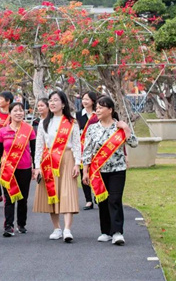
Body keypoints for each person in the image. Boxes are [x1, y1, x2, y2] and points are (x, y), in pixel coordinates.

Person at [82, 95, 137, 246]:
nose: (98, 110)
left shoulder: (119, 126)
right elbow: (87, 151)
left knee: (115, 199)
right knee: (103, 200)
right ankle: (105, 231)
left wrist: (126, 129)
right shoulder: (92, 128)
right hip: (99, 171)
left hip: (118, 169)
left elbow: (134, 143)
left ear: (110, 109)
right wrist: (85, 171)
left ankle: (117, 232)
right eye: (97, 107)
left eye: (101, 107)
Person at [32, 90, 81, 243]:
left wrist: (78, 163)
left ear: (63, 103)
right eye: (50, 101)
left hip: (67, 159)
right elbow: (39, 145)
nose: (52, 103)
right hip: (49, 161)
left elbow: (77, 145)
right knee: (52, 193)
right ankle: (56, 228)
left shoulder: (71, 122)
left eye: (55, 100)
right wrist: (37, 166)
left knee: (67, 192)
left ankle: (67, 229)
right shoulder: (44, 122)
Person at [0, 102, 36, 237]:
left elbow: (34, 151)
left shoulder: (28, 130)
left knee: (23, 198)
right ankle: (8, 226)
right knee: (9, 198)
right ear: (10, 113)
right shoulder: (3, 131)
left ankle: (21, 224)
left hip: (25, 168)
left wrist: (36, 167)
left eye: (21, 111)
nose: (18, 113)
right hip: (8, 169)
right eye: (15, 111)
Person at [76, 91, 99, 210]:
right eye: (83, 99)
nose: (84, 101)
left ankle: (97, 194)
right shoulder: (78, 115)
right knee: (83, 173)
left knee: (96, 172)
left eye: (87, 99)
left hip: (96, 148)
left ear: (93, 101)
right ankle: (88, 200)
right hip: (82, 148)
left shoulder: (98, 114)